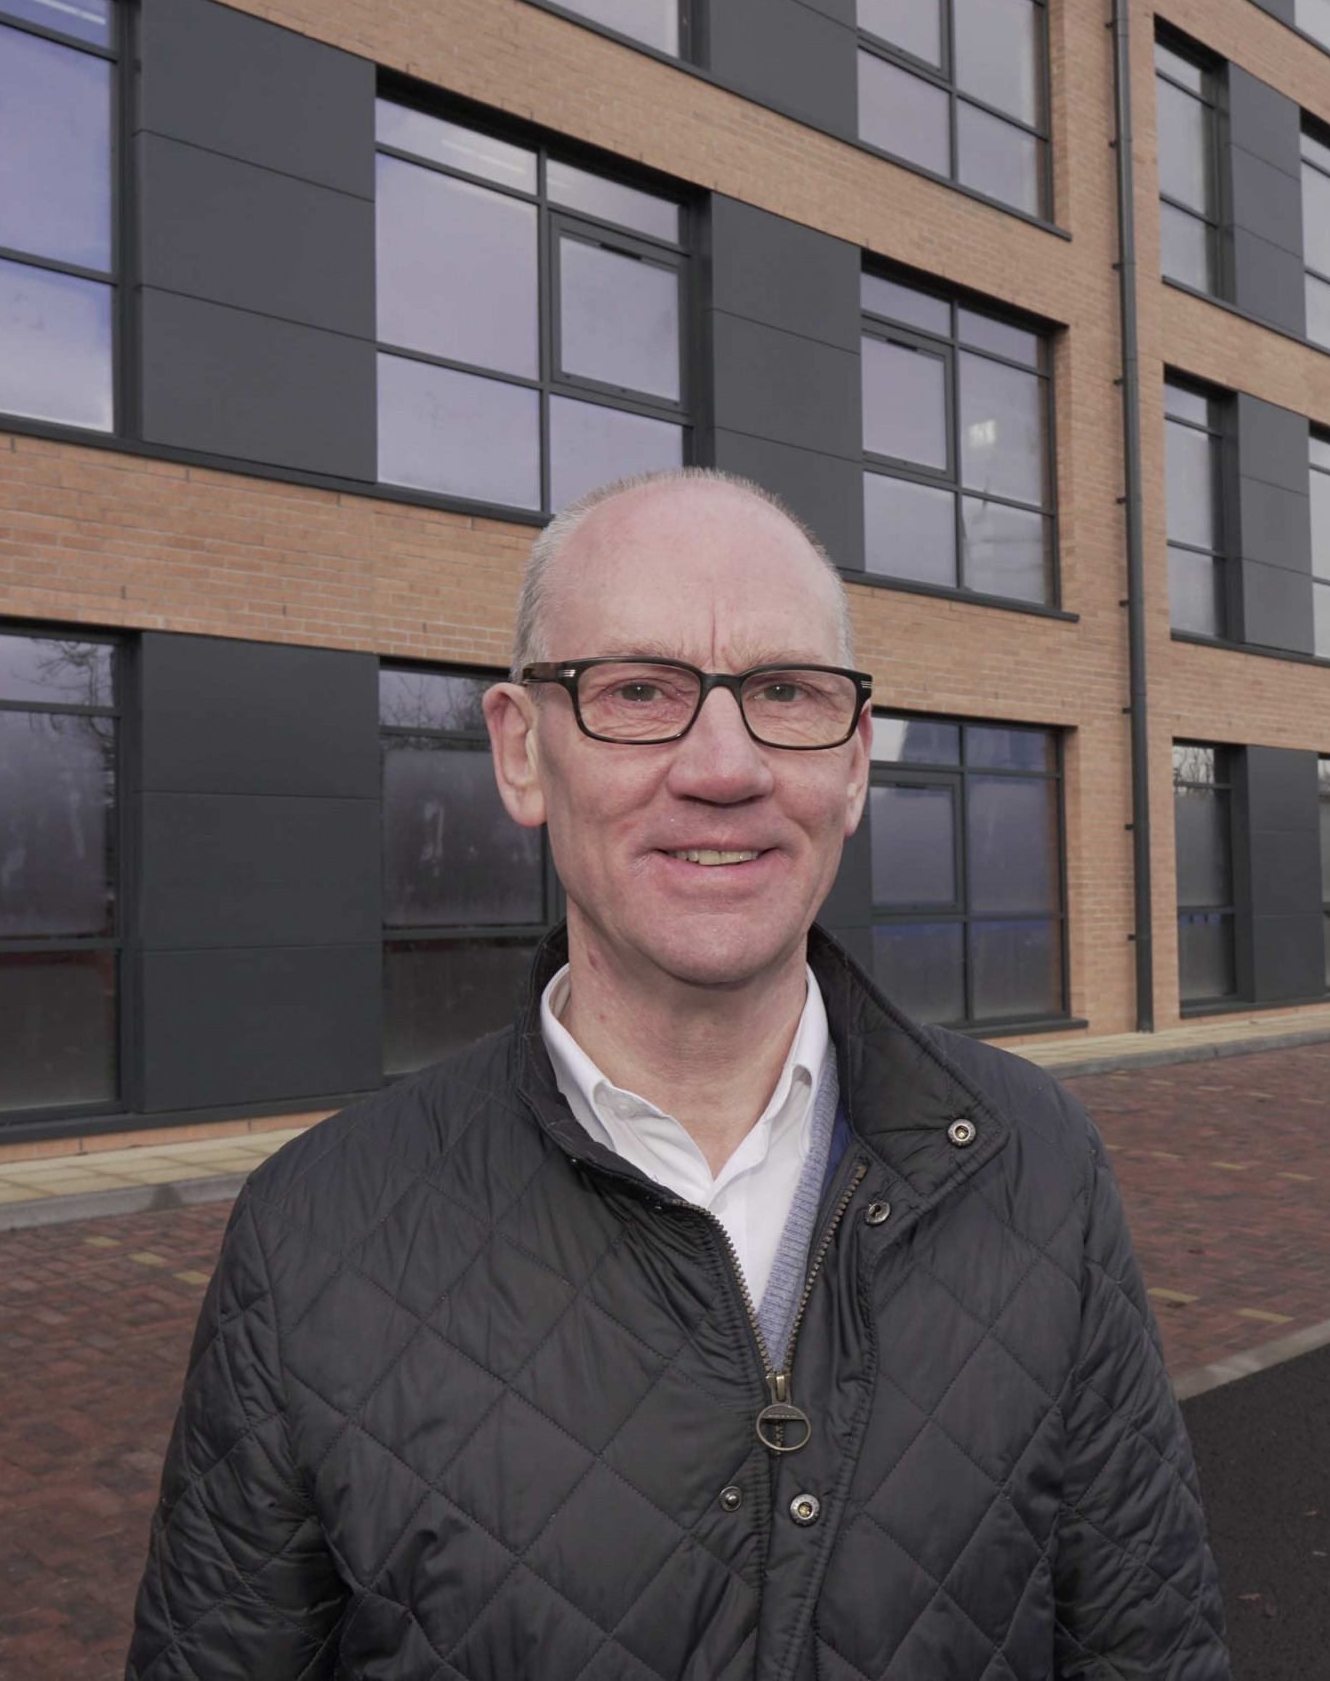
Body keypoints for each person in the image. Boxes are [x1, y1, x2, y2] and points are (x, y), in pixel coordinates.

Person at [126, 468, 1228, 1679]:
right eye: (639, 691)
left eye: (786, 693)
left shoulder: (1038, 1165)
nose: (723, 765)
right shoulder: (313, 1235)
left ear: (855, 764)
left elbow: (1147, 1651)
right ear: (521, 754)